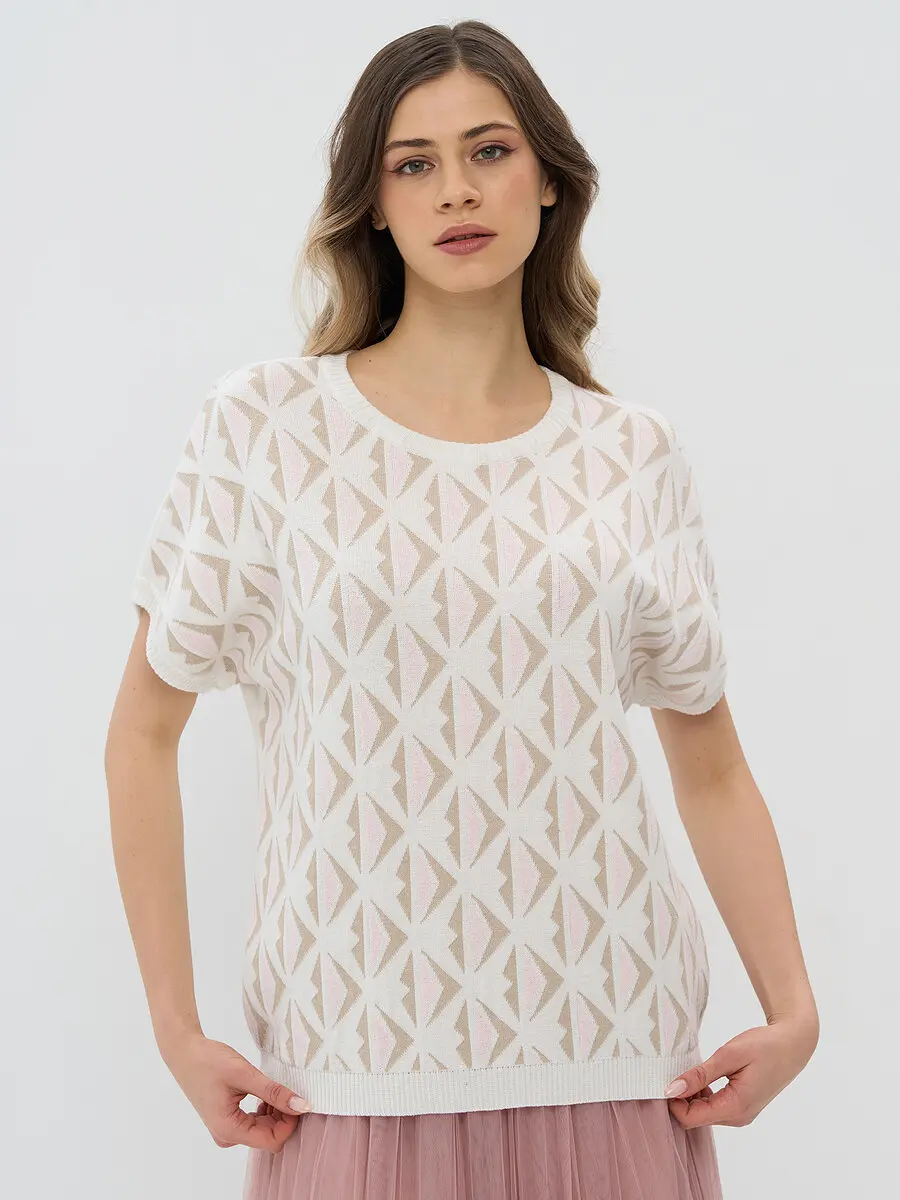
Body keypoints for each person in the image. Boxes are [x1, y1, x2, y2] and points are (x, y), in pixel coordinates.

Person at [105, 19, 820, 1200]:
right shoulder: (266, 429)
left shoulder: (630, 454)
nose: (456, 190)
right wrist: (175, 1030)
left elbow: (710, 765)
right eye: (413, 163)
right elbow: (141, 734)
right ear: (374, 205)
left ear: (549, 180)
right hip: (355, 1067)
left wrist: (794, 1009)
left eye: (489, 150)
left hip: (612, 1054)